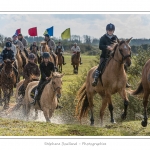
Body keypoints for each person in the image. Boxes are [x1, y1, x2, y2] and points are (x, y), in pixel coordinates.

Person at [92, 23, 130, 87]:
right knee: (100, 66)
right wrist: (107, 47)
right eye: (109, 30)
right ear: (107, 30)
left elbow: (119, 45)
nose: (110, 31)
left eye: (111, 30)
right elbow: (100, 46)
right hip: (104, 56)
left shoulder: (115, 37)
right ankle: (95, 79)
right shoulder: (103, 38)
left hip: (113, 57)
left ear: (113, 31)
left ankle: (125, 81)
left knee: (124, 66)